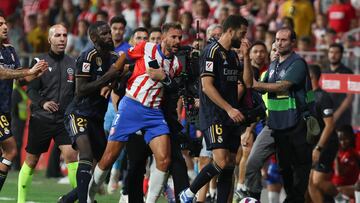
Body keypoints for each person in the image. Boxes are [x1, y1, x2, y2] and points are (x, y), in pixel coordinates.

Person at [88, 22, 183, 203]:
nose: (178, 41)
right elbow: (125, 57)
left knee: (164, 160)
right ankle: (89, 195)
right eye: (174, 37)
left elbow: (171, 90)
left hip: (154, 114)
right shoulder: (146, 47)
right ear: (163, 37)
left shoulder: (176, 64)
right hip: (131, 106)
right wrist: (111, 78)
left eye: (180, 37)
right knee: (109, 158)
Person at [180, 15, 252, 203]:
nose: (244, 38)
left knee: (229, 166)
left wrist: (246, 57)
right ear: (231, 31)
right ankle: (189, 193)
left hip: (230, 117)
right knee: (220, 161)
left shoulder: (233, 55)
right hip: (214, 115)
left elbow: (248, 83)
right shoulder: (211, 52)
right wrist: (229, 108)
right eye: (242, 33)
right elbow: (207, 86)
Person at [58, 21, 126, 203]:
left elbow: (118, 85)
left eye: (108, 32)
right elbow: (80, 89)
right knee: (86, 155)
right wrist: (108, 77)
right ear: (94, 38)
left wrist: (116, 81)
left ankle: (67, 200)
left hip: (96, 117)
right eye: (103, 34)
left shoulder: (113, 57)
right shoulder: (87, 56)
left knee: (105, 162)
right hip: (78, 113)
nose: (108, 36)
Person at [17, 24, 78, 203]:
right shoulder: (39, 62)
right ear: (50, 39)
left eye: (64, 35)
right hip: (41, 119)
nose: (62, 39)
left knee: (71, 155)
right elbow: (31, 90)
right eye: (57, 35)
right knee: (32, 160)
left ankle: (78, 198)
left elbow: (76, 92)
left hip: (63, 121)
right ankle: (21, 200)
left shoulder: (72, 63)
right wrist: (43, 103)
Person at [252, 27, 313, 203]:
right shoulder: (273, 64)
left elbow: (282, 86)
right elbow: (263, 87)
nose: (279, 43)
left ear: (293, 43)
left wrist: (255, 85)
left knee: (299, 173)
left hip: (297, 125)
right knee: (284, 169)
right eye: (277, 39)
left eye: (284, 40)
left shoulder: (298, 63)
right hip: (279, 126)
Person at [0, 14, 48, 192]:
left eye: (5, 23)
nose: (5, 27)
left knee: (4, 153)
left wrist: (34, 74)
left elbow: (20, 78)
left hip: (5, 109)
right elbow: (3, 73)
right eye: (0, 24)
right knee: (11, 150)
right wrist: (28, 70)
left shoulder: (10, 51)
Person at [235, 42, 279, 201]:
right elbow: (259, 105)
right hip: (259, 122)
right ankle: (244, 189)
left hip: (282, 124)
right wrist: (248, 129)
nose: (260, 54)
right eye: (256, 51)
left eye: (263, 51)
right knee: (247, 157)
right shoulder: (261, 74)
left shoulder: (282, 71)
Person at [307, 64, 340, 203]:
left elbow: (330, 125)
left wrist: (318, 148)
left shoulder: (323, 97)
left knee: (317, 182)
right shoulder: (308, 95)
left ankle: (342, 196)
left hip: (326, 144)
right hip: (313, 145)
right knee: (310, 184)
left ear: (311, 77)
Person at [322, 43, 354, 129]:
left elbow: (350, 97)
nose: (333, 55)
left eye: (336, 52)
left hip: (342, 116)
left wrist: (336, 114)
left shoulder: (347, 72)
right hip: (326, 114)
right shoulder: (324, 72)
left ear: (341, 54)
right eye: (331, 52)